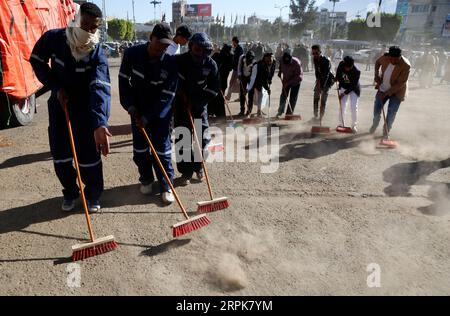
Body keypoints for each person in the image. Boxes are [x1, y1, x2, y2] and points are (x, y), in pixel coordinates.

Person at [30, 3, 111, 213]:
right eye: (85, 24)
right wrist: (56, 87)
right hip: (60, 104)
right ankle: (70, 192)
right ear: (76, 19)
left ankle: (92, 194)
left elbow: (100, 87)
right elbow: (37, 59)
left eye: (94, 27)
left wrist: (100, 122)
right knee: (61, 154)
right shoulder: (54, 38)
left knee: (88, 155)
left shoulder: (97, 52)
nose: (88, 30)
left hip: (85, 108)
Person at [118, 23, 177, 204]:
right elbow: (123, 83)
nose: (162, 48)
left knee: (162, 150)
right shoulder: (132, 54)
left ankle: (166, 186)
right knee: (141, 150)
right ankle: (146, 179)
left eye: (166, 45)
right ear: (151, 37)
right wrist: (130, 106)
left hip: (160, 113)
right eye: (159, 43)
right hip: (137, 109)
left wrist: (149, 116)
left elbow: (167, 96)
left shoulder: (170, 62)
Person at [174, 33, 220, 185]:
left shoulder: (211, 64)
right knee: (183, 139)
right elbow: (171, 80)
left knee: (202, 140)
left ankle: (198, 166)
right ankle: (186, 172)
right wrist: (180, 92)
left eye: (203, 49)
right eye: (196, 48)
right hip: (181, 106)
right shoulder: (179, 61)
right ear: (191, 46)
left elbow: (214, 88)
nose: (199, 51)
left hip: (200, 106)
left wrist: (198, 101)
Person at [370, 46, 411, 139]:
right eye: (391, 58)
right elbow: (377, 62)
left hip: (397, 92)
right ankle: (375, 123)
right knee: (377, 109)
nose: (393, 61)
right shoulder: (385, 57)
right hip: (382, 88)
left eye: (396, 59)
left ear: (400, 57)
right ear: (389, 56)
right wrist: (376, 74)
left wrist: (388, 92)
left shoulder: (406, 65)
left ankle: (386, 131)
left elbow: (401, 83)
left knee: (391, 112)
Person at [336, 56, 361, 133]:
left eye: (349, 67)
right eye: (346, 67)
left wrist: (344, 93)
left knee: (353, 107)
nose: (347, 69)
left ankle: (354, 126)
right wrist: (336, 79)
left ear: (352, 65)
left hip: (353, 89)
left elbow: (353, 85)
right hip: (344, 86)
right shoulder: (341, 65)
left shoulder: (357, 72)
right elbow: (338, 75)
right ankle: (341, 124)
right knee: (342, 106)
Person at [247, 52, 276, 117]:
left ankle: (259, 111)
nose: (269, 62)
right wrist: (267, 88)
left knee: (260, 94)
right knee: (251, 93)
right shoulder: (260, 65)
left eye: (270, 60)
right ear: (264, 58)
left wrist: (270, 79)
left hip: (261, 78)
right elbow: (262, 79)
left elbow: (271, 72)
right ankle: (249, 111)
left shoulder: (273, 63)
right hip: (254, 77)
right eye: (268, 60)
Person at [277, 50, 303, 118]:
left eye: (288, 62)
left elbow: (299, 77)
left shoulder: (296, 63)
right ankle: (280, 111)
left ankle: (289, 113)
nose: (287, 64)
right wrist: (280, 72)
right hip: (286, 79)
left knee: (293, 97)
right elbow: (280, 66)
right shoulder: (281, 60)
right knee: (283, 96)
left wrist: (288, 83)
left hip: (296, 81)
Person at [209, 44, 234, 118]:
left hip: (220, 81)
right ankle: (216, 113)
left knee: (217, 97)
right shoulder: (227, 56)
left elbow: (229, 68)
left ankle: (218, 114)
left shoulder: (228, 57)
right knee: (216, 97)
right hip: (217, 80)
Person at [312, 44, 334, 121]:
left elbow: (326, 75)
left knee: (323, 100)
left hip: (327, 81)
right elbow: (316, 71)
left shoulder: (326, 60)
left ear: (320, 52)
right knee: (316, 97)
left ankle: (321, 117)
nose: (314, 55)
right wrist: (317, 81)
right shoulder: (314, 59)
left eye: (316, 53)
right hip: (319, 80)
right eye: (313, 53)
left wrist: (322, 86)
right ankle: (315, 116)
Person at [237, 51, 256, 116]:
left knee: (250, 95)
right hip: (243, 77)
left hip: (250, 78)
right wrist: (239, 74)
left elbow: (253, 78)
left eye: (249, 61)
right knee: (242, 94)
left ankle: (249, 111)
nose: (248, 62)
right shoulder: (241, 57)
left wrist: (247, 89)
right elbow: (239, 66)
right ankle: (242, 110)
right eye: (247, 60)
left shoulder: (255, 64)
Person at [225, 36, 244, 101]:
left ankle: (228, 96)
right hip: (236, 68)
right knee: (237, 83)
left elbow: (239, 59)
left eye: (233, 42)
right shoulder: (237, 48)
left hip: (237, 69)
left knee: (232, 82)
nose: (232, 43)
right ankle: (238, 97)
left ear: (235, 41)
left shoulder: (239, 49)